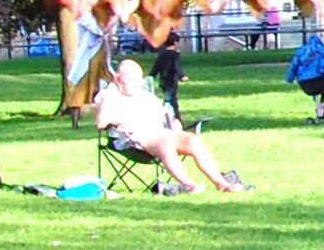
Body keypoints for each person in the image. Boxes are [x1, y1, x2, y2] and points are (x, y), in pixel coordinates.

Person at [97, 55, 247, 194]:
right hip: (135, 140)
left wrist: (173, 121)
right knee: (165, 142)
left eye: (138, 79)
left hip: (161, 131)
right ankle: (189, 185)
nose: (135, 83)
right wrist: (115, 119)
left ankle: (221, 183)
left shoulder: (145, 96)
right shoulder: (110, 96)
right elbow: (101, 123)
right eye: (130, 79)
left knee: (193, 140)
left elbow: (164, 114)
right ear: (117, 79)